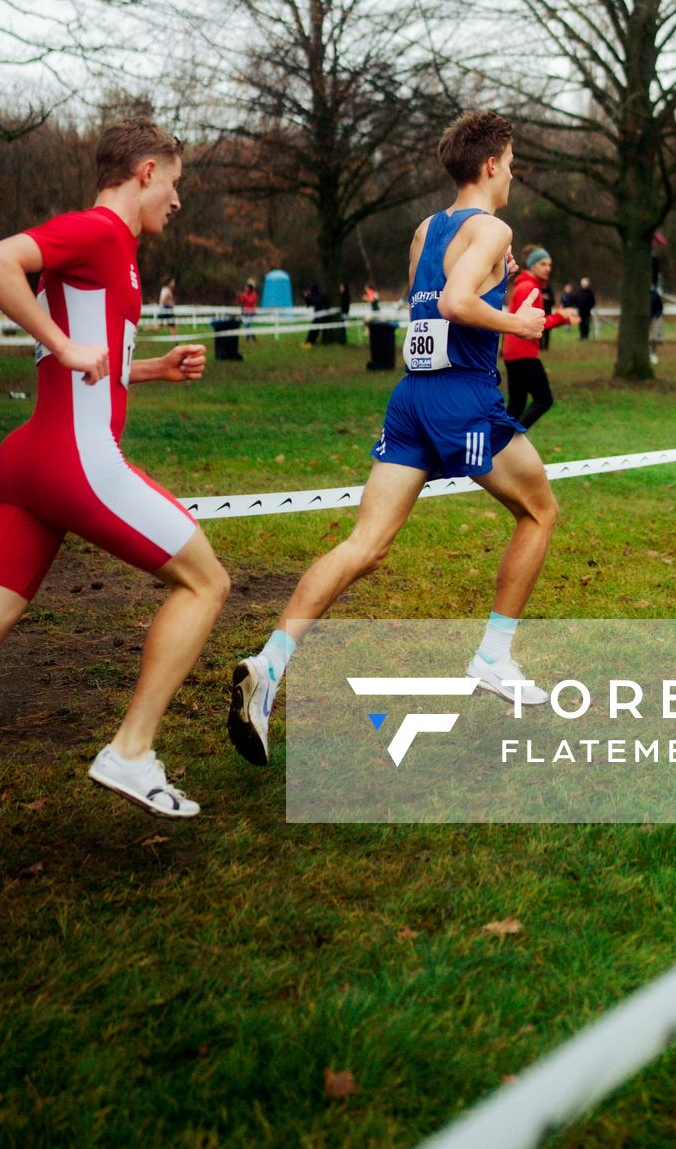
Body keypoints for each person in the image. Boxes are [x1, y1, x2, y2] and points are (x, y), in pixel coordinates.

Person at [227, 111, 559, 766]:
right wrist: (518, 323)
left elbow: (433, 304)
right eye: (513, 164)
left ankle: (269, 664)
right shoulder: (493, 227)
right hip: (463, 396)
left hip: (412, 397)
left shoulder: (425, 230)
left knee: (366, 544)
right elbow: (458, 304)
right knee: (540, 511)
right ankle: (494, 655)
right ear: (491, 164)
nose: (514, 176)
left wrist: (493, 286)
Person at [0, 120, 229, 818]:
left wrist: (152, 369)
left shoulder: (116, 253)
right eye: (174, 184)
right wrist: (60, 344)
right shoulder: (100, 230)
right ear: (146, 172)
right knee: (206, 582)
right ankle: (131, 752)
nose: (178, 201)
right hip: (74, 462)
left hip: (30, 463)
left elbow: (94, 359)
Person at [504, 247, 574, 429]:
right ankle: (512, 438)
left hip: (514, 351)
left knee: (516, 404)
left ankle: (501, 440)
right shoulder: (529, 288)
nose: (548, 268)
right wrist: (560, 316)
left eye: (549, 264)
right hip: (523, 351)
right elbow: (532, 323)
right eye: (543, 264)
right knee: (544, 400)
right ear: (532, 265)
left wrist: (561, 318)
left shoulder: (526, 285)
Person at [237, 278, 258, 344]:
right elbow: (242, 301)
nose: (246, 289)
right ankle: (253, 337)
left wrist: (244, 296)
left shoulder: (253, 294)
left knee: (247, 325)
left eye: (247, 288)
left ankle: (248, 339)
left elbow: (250, 302)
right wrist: (239, 296)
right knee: (247, 325)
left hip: (251, 312)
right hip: (245, 311)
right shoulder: (245, 293)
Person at [649, 280, 665, 361]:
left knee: (653, 336)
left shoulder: (655, 294)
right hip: (643, 318)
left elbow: (660, 306)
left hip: (653, 317)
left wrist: (657, 315)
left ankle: (653, 353)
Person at [576, 275, 596, 341]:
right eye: (583, 283)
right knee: (581, 323)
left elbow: (593, 302)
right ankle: (581, 335)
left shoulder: (590, 293)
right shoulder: (578, 292)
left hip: (587, 311)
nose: (584, 285)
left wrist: (589, 307)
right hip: (580, 311)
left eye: (585, 283)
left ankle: (586, 336)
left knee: (586, 324)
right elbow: (576, 300)